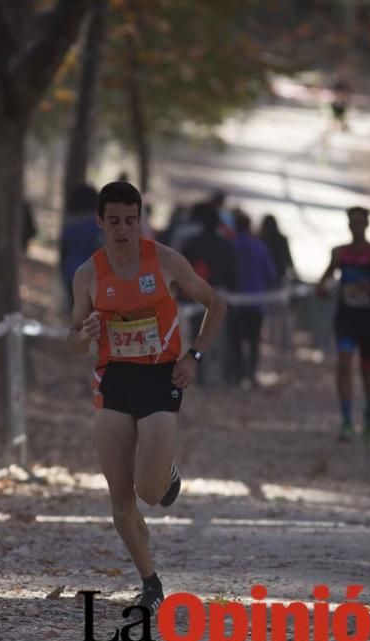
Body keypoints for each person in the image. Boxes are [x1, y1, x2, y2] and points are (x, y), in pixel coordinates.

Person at [67, 181, 226, 617]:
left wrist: (194, 357)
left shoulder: (166, 261)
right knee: (120, 496)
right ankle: (150, 581)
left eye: (130, 221)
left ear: (141, 220)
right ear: (100, 221)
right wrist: (84, 334)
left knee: (150, 492)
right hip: (113, 380)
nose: (122, 229)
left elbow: (216, 304)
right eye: (113, 221)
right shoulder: (88, 274)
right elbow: (72, 340)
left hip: (160, 377)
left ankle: (165, 474)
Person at [317, 207, 370, 443]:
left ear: (367, 225)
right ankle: (346, 420)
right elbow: (321, 283)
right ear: (348, 225)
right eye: (352, 222)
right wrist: (325, 289)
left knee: (368, 369)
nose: (356, 227)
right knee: (344, 365)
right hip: (345, 318)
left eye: (360, 222)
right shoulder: (339, 254)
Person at [181, 203, 236, 384]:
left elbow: (183, 270)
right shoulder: (226, 245)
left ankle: (200, 373)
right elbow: (232, 272)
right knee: (223, 336)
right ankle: (225, 375)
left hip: (197, 296)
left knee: (198, 336)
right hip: (221, 295)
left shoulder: (192, 243)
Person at [230, 211, 277, 387]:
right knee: (254, 340)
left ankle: (238, 374)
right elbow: (270, 272)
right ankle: (252, 373)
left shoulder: (232, 246)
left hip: (236, 302)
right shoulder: (259, 246)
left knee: (237, 340)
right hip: (257, 301)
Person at [59, 183, 101, 312]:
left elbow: (63, 251)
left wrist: (62, 272)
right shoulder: (98, 225)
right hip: (93, 275)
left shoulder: (69, 224)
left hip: (71, 273)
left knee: (76, 311)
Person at [259, 214, 296, 287]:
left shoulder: (261, 240)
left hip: (265, 275)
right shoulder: (282, 239)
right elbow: (288, 257)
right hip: (279, 274)